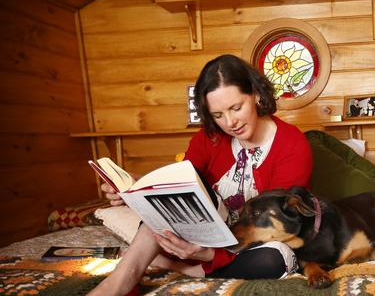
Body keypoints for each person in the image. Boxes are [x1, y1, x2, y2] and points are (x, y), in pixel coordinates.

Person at [90, 54, 313, 296]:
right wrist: (135, 187)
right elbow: (177, 185)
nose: (230, 122)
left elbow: (276, 224)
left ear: (256, 95)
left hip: (258, 238)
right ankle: (123, 279)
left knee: (273, 260)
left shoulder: (293, 144)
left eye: (236, 108)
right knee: (167, 204)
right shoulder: (210, 137)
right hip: (205, 233)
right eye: (218, 115)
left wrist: (208, 255)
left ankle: (185, 268)